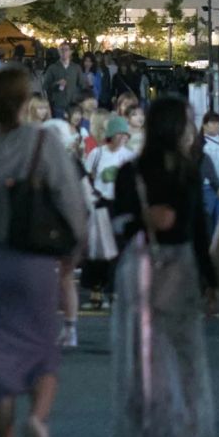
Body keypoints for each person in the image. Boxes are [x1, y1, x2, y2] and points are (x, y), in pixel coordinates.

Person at [0, 66, 87, 437]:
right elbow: (70, 201)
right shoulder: (42, 142)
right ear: (27, 100)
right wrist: (75, 248)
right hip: (35, 262)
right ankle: (38, 417)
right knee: (41, 349)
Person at [111, 96, 216, 437]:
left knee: (153, 363)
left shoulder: (160, 171)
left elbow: (198, 229)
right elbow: (197, 230)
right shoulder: (165, 172)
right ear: (174, 127)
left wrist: (210, 277)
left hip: (156, 270)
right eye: (186, 122)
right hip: (167, 270)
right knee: (173, 365)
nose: (191, 130)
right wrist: (210, 278)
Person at [82, 116, 134, 309]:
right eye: (119, 133)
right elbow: (87, 177)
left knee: (117, 251)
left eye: (124, 134)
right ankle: (97, 292)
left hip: (118, 205)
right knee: (98, 251)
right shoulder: (97, 154)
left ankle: (113, 291)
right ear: (111, 134)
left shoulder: (128, 156)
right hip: (100, 203)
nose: (122, 138)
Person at [43, 41, 81, 118]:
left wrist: (77, 98)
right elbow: (45, 86)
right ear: (58, 52)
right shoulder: (52, 68)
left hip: (73, 106)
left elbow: (82, 85)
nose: (63, 52)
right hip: (58, 105)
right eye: (61, 50)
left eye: (66, 49)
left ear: (71, 52)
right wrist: (56, 84)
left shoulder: (76, 68)